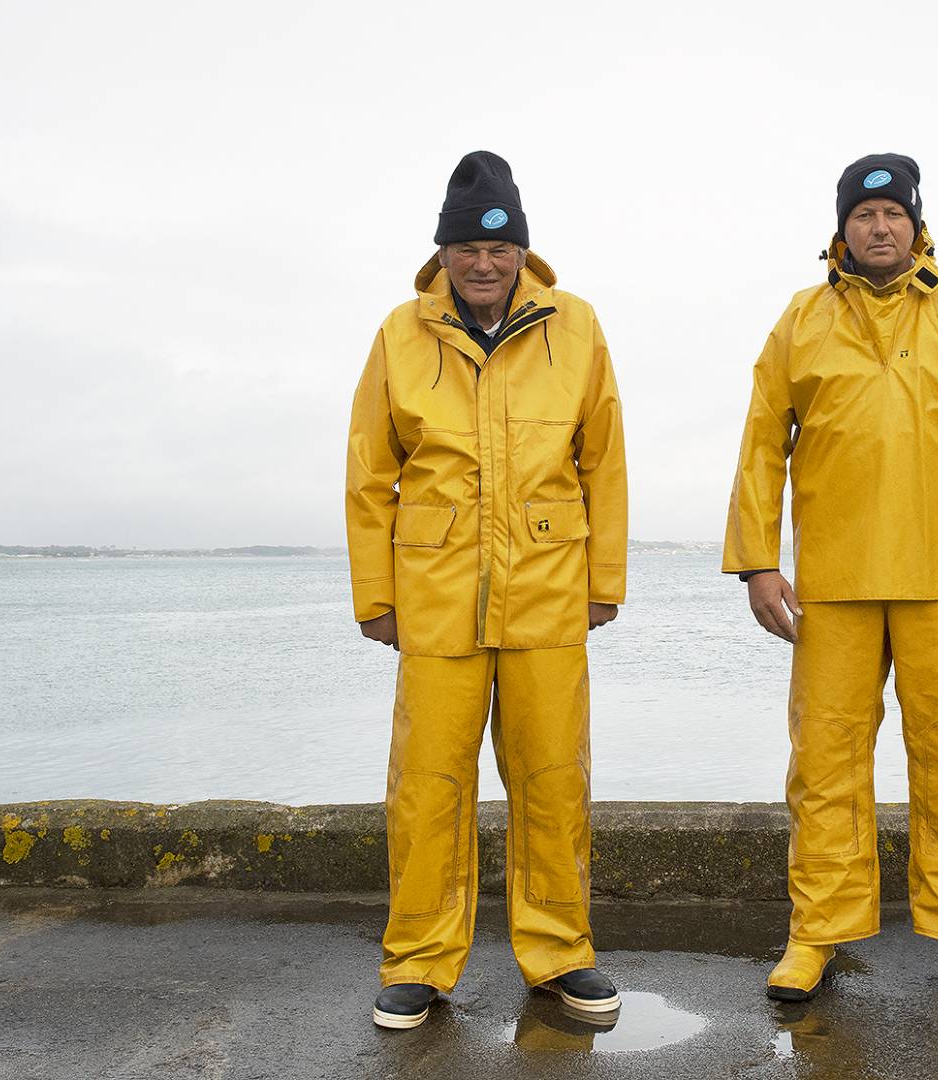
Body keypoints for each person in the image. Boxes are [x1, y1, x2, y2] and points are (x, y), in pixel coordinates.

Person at [723, 153, 938, 1005]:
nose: (879, 226)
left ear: (916, 223)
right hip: (832, 581)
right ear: (842, 228)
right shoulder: (802, 318)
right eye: (863, 214)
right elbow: (762, 440)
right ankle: (816, 933)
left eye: (893, 213)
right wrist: (759, 562)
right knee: (824, 762)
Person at [346, 150, 628, 1030]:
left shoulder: (576, 326)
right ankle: (419, 962)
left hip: (550, 587)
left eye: (498, 249)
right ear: (443, 253)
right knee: (427, 786)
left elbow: (604, 460)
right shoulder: (400, 332)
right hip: (434, 595)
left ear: (522, 253)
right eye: (466, 247)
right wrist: (376, 596)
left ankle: (561, 953)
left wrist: (604, 581)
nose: (482, 263)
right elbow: (370, 474)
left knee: (554, 779)